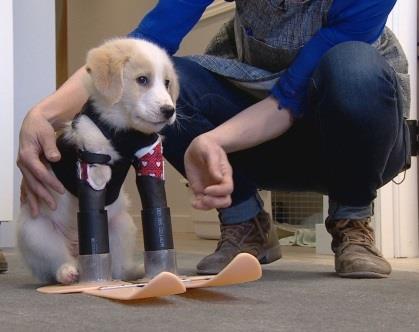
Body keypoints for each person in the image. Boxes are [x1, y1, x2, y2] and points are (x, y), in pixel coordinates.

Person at [18, 0, 410, 278]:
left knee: (352, 66)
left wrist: (215, 140)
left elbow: (291, 96)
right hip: (262, 131)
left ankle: (352, 222)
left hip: (356, 141)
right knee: (171, 89)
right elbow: (144, 42)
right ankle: (245, 223)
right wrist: (43, 114)